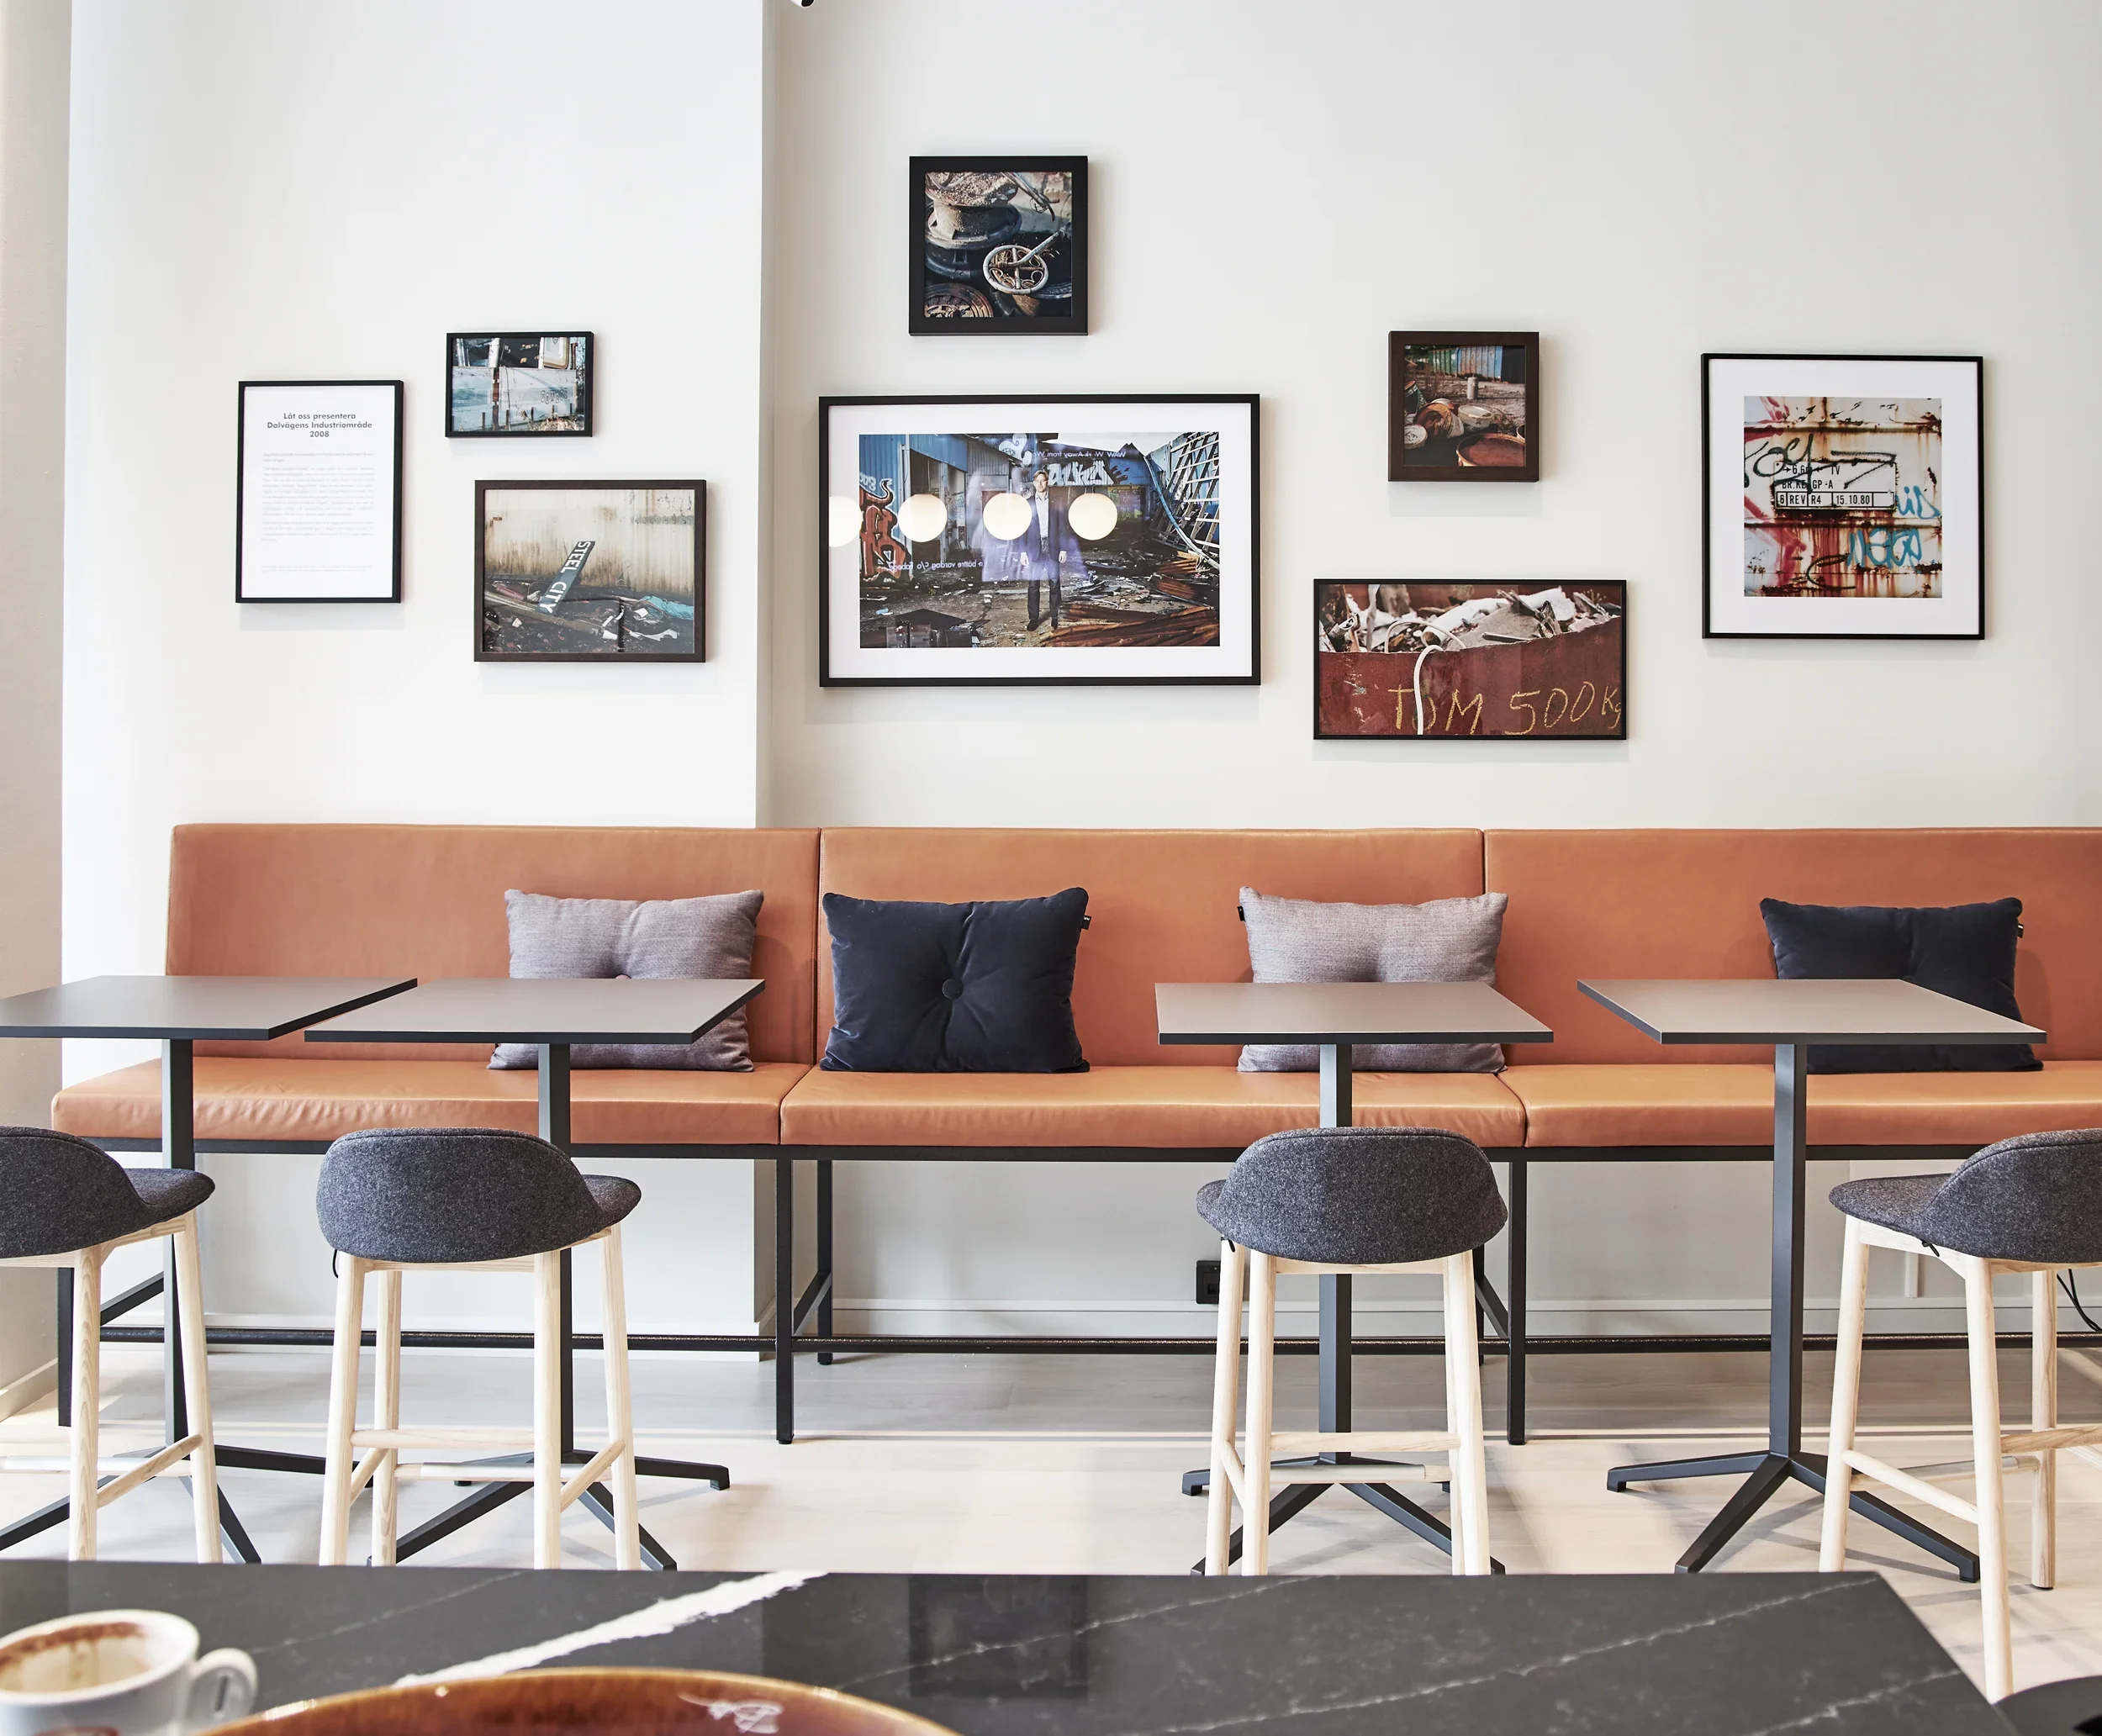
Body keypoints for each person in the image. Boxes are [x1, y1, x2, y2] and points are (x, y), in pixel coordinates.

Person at [1018, 467, 1085, 631]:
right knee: (1033, 586)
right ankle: (1033, 619)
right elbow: (1022, 528)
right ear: (1034, 483)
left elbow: (1063, 527)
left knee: (1054, 583)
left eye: (1043, 480)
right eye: (1038, 481)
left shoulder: (1056, 503)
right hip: (1034, 548)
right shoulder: (1028, 504)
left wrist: (1063, 549)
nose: (1040, 484)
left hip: (1052, 547)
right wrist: (1023, 552)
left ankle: (1055, 617)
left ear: (1047, 482)